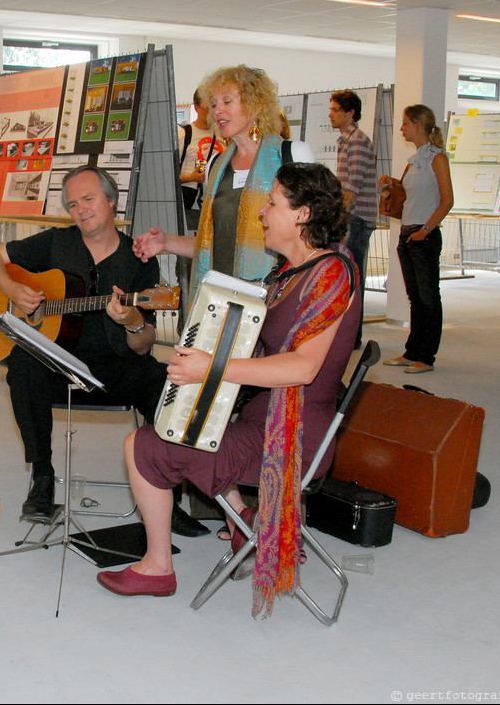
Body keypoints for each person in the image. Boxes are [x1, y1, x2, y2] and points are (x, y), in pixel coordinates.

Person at [100, 163, 360, 619]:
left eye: (274, 202)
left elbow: (303, 366)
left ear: (302, 215)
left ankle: (159, 567)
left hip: (294, 437)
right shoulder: (295, 273)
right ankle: (246, 524)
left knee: (143, 446)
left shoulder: (330, 275)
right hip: (270, 418)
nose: (262, 212)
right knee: (171, 425)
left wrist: (211, 369)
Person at [0, 166, 172, 524]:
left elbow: (144, 345)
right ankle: (43, 477)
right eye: (72, 204)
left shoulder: (139, 260)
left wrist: (132, 321)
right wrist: (10, 288)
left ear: (111, 201)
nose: (81, 210)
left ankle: (165, 490)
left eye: (88, 199)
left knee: (163, 380)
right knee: (22, 363)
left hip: (112, 370)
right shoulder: (56, 242)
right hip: (57, 367)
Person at [136, 65, 315, 305]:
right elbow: (211, 246)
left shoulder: (292, 155)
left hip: (275, 300)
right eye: (213, 104)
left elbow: (313, 238)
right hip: (218, 302)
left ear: (255, 104)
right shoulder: (216, 166)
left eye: (227, 101)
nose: (217, 110)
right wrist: (166, 242)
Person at [382, 104, 454, 374]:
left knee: (428, 297)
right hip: (407, 233)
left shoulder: (437, 158)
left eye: (405, 123)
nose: (401, 128)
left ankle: (427, 356)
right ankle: (412, 351)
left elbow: (447, 200)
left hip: (423, 235)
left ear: (418, 125)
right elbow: (410, 194)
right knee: (415, 297)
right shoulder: (415, 160)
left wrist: (426, 229)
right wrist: (392, 184)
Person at [330, 89, 378, 345]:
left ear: (350, 113)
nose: (331, 114)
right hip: (352, 218)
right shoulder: (346, 141)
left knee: (353, 278)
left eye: (336, 109)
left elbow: (352, 189)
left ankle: (352, 337)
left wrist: (337, 220)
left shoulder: (357, 141)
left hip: (356, 219)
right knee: (349, 277)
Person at [177, 89, 220, 230]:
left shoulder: (224, 135)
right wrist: (190, 177)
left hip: (216, 202)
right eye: (207, 108)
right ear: (196, 108)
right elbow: (166, 176)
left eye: (215, 107)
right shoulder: (184, 135)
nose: (212, 113)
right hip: (190, 203)